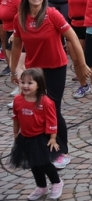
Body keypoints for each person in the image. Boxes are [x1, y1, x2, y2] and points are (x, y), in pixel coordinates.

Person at [10, 0, 89, 171]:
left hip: (55, 68)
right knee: (37, 108)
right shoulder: (19, 18)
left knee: (53, 107)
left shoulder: (52, 14)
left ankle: (62, 151)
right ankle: (46, 146)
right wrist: (14, 70)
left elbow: (72, 39)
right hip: (35, 71)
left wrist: (83, 63)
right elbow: (16, 46)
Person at [9, 68, 65, 200]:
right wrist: (16, 134)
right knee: (33, 163)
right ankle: (41, 186)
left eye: (30, 83)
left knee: (44, 163)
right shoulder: (17, 100)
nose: (25, 86)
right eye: (23, 82)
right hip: (25, 137)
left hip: (41, 138)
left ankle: (57, 182)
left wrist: (52, 138)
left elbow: (52, 120)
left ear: (39, 84)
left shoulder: (45, 102)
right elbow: (16, 118)